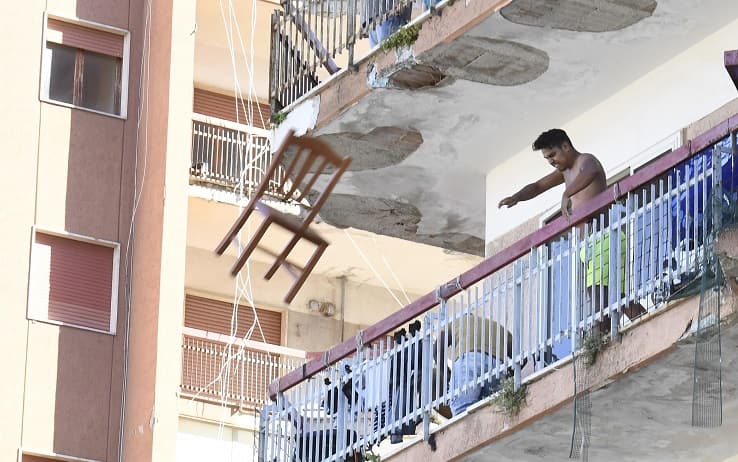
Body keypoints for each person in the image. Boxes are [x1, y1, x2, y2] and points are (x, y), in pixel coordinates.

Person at [498, 129, 644, 338]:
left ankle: (598, 343)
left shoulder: (586, 161)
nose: (551, 161)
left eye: (552, 155)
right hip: (589, 246)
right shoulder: (564, 172)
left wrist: (568, 192)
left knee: (601, 300)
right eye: (547, 158)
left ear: (566, 146)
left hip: (604, 238)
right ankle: (644, 322)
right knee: (614, 298)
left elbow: (591, 172)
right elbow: (538, 186)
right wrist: (517, 197)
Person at [436, 313, 513, 417]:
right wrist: (508, 375)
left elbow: (437, 349)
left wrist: (446, 375)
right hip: (498, 365)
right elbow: (521, 358)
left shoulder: (457, 322)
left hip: (470, 359)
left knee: (462, 410)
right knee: (492, 412)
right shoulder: (498, 327)